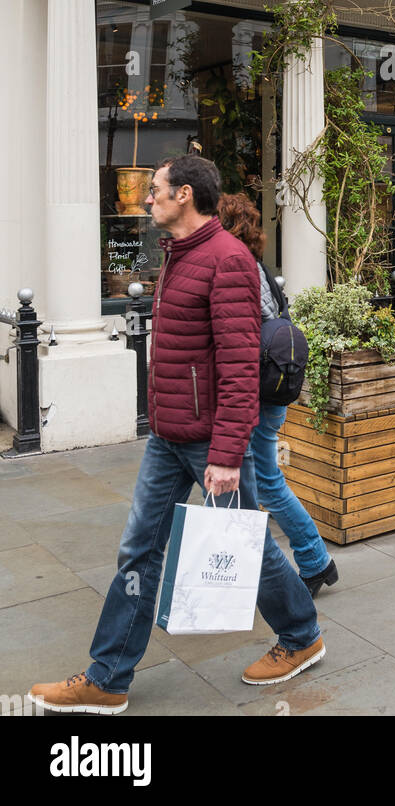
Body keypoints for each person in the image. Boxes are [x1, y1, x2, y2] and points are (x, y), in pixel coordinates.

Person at [29, 155, 324, 715]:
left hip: (209, 440)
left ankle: (302, 635)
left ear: (184, 194)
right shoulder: (181, 256)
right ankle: (108, 677)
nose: (146, 199)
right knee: (139, 551)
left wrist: (228, 454)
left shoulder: (227, 261)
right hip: (169, 436)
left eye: (155, 190)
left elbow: (239, 366)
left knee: (247, 548)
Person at [217, 192, 338, 597]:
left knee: (257, 486)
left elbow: (241, 337)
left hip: (255, 395)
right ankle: (311, 562)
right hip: (268, 392)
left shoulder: (239, 271)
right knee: (262, 484)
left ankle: (303, 564)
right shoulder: (259, 269)